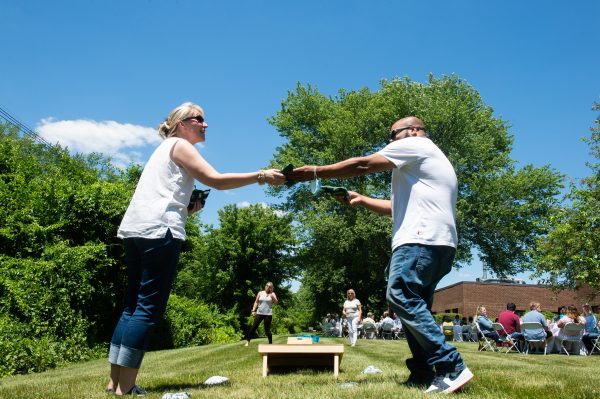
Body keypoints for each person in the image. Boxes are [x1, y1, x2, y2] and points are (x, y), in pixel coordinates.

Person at [106, 102, 285, 396]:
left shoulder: (162, 150)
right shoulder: (180, 145)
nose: (205, 124)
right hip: (159, 231)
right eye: (199, 119)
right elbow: (215, 180)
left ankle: (114, 382)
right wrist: (261, 175)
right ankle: (126, 388)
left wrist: (188, 211)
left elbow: (163, 195)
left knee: (131, 306)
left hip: (135, 229)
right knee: (147, 309)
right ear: (181, 124)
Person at [289, 116, 472, 394]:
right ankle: (423, 371)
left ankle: (451, 366)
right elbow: (394, 207)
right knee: (413, 305)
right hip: (440, 243)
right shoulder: (423, 165)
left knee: (399, 294)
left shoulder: (416, 145)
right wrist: (361, 199)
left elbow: (363, 164)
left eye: (392, 135)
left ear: (412, 130)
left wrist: (315, 171)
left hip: (419, 240)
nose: (389, 142)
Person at [245, 282, 279, 346]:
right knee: (254, 327)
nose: (268, 287)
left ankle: (270, 343)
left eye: (270, 286)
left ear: (271, 288)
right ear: (265, 286)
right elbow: (256, 302)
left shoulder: (272, 294)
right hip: (259, 313)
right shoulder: (260, 293)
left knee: (267, 330)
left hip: (268, 314)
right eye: (267, 286)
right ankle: (248, 341)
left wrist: (272, 295)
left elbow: (276, 302)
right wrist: (253, 310)